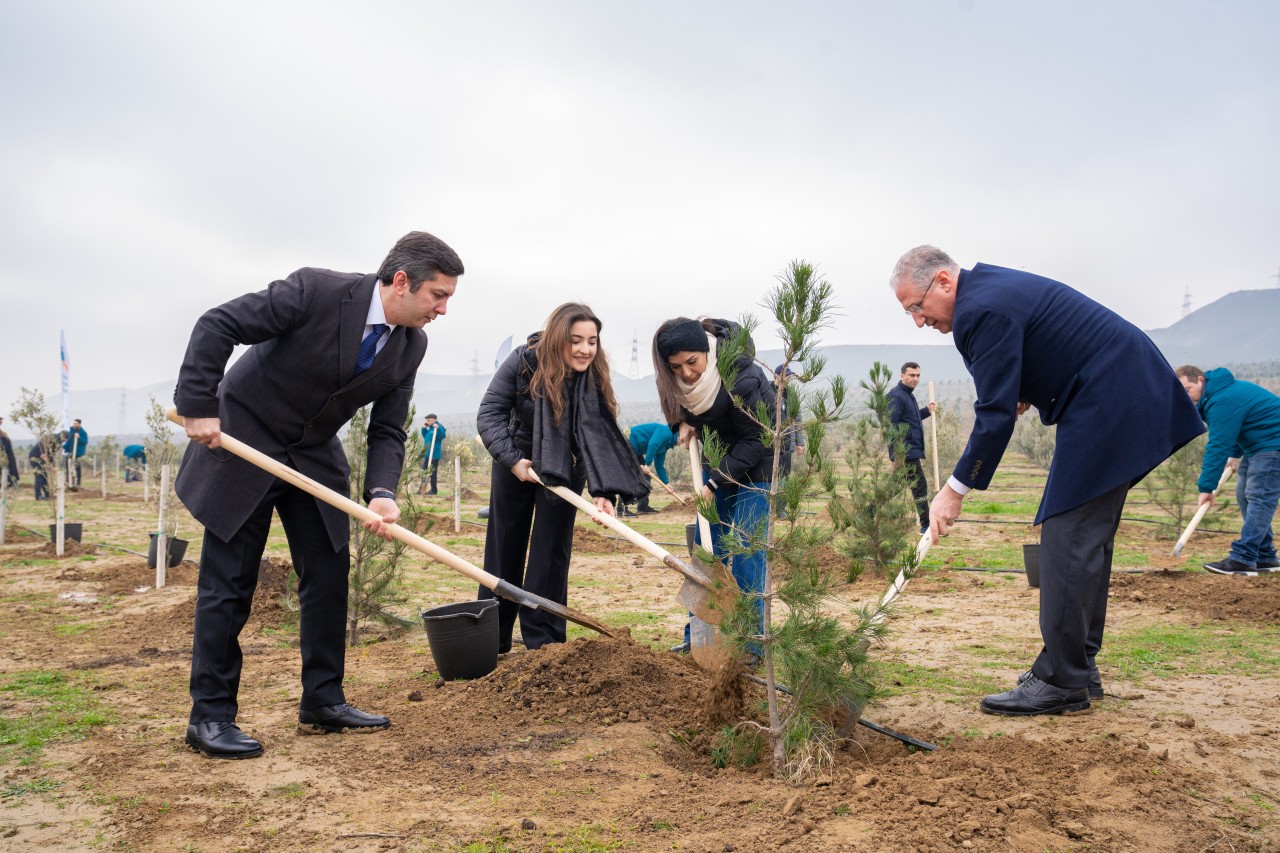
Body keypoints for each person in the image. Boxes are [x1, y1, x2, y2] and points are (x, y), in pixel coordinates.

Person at [173, 231, 464, 759]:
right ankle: (210, 716)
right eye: (437, 296)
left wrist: (381, 492)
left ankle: (323, 700)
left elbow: (388, 429)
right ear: (401, 282)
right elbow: (218, 323)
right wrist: (198, 403)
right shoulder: (316, 292)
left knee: (329, 571)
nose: (443, 309)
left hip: (312, 452)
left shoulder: (409, 345)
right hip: (245, 437)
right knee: (230, 582)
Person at [890, 246, 1203, 717]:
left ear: (943, 282)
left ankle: (1060, 679)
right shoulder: (988, 292)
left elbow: (993, 416)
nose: (918, 321)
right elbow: (1029, 364)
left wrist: (953, 490)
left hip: (1110, 395)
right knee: (1084, 535)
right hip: (1119, 388)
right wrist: (1024, 393)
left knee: (1068, 533)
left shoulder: (979, 310)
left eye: (916, 306)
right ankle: (1077, 667)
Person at [477, 303, 647, 653]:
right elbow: (489, 413)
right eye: (576, 341)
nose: (585, 349)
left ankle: (545, 642)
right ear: (558, 339)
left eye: (592, 341)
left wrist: (602, 492)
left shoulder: (594, 375)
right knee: (505, 545)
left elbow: (597, 436)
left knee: (551, 550)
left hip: (566, 467)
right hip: (517, 459)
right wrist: (513, 460)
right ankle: (492, 637)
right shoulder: (525, 361)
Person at [654, 317, 776, 657]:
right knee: (708, 552)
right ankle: (699, 638)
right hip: (719, 459)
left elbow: (757, 438)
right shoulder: (678, 380)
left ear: (706, 350)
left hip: (760, 461)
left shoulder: (741, 373)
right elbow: (673, 395)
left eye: (692, 362)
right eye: (677, 367)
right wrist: (680, 419)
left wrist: (714, 480)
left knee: (749, 552)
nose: (687, 373)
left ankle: (753, 647)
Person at [1175, 365, 1280, 575]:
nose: (1186, 396)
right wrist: (1235, 454)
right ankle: (1265, 556)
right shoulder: (1217, 395)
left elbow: (1218, 444)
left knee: (1259, 498)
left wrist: (1206, 486)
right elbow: (1237, 427)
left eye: (1187, 389)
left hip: (1272, 445)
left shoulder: (1221, 399)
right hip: (1257, 446)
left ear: (1200, 379)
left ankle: (1243, 558)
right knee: (1244, 496)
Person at [888, 362, 938, 533]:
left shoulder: (908, 395)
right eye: (911, 375)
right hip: (906, 452)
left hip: (911, 450)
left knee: (893, 488)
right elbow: (891, 426)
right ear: (902, 375)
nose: (915, 379)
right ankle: (926, 525)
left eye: (917, 376)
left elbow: (911, 420)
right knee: (920, 486)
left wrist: (926, 410)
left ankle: (869, 513)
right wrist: (896, 455)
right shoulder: (897, 396)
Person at [772, 365, 806, 519]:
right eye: (787, 376)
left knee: (784, 477)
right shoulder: (766, 390)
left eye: (790, 376)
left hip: (787, 444)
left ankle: (780, 509)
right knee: (769, 476)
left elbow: (797, 420)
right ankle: (767, 508)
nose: (789, 379)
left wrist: (800, 443)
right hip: (769, 445)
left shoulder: (792, 395)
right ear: (777, 376)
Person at [626, 422, 679, 514]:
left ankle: (642, 507)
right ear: (677, 433)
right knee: (630, 475)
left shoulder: (665, 445)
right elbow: (653, 444)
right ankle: (622, 509)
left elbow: (659, 465)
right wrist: (647, 464)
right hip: (629, 443)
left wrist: (666, 483)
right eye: (681, 439)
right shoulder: (665, 431)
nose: (682, 441)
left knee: (646, 477)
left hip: (636, 451)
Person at [419, 414, 447, 495]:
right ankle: (421, 489)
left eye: (428, 420)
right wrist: (424, 428)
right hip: (427, 454)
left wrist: (437, 429)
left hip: (434, 455)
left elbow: (443, 436)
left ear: (433, 419)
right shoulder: (430, 428)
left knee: (433, 473)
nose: (427, 422)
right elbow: (425, 436)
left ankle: (433, 490)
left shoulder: (438, 426)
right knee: (424, 472)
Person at [62, 419, 88, 487]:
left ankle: (78, 483)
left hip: (78, 453)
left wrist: (79, 438)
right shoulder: (71, 431)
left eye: (76, 423)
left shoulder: (83, 433)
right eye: (73, 423)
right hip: (70, 452)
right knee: (67, 465)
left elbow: (85, 442)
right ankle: (68, 481)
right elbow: (68, 440)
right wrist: (64, 447)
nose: (74, 425)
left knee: (77, 467)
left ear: (79, 424)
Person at [0, 417, 18, 488]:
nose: (1, 421)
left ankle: (10, 482)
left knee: (7, 469)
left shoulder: (3, 434)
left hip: (6, 456)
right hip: (2, 457)